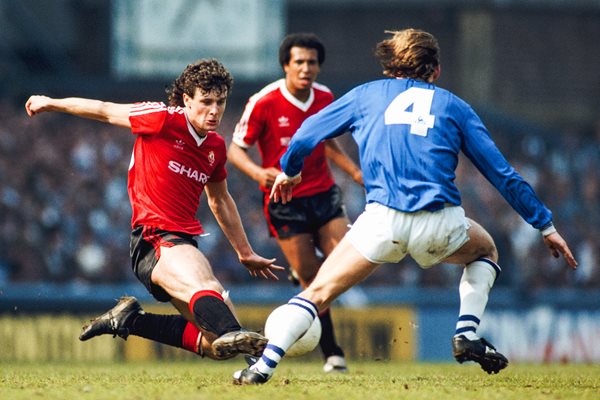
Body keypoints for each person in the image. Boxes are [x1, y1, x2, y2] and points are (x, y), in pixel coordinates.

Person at [233, 29, 578, 384]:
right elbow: (502, 173)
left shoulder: (365, 95)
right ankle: (465, 334)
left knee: (317, 292)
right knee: (486, 251)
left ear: (391, 66)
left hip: (381, 222)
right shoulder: (455, 106)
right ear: (436, 70)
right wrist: (545, 226)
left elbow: (306, 134)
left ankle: (262, 368)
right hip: (440, 222)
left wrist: (290, 171)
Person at [25, 59, 284, 361]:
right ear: (187, 99)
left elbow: (221, 200)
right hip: (155, 238)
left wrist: (244, 251)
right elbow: (105, 110)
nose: (214, 111)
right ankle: (253, 355)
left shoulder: (215, 146)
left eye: (221, 102)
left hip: (179, 244)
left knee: (215, 344)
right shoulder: (161, 118)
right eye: (206, 102)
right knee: (209, 291)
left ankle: (130, 320)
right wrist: (51, 103)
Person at [227, 33, 363, 373]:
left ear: (319, 66)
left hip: (323, 194)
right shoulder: (264, 101)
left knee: (343, 264)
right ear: (286, 65)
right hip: (285, 201)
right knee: (311, 279)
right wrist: (259, 172)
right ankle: (332, 350)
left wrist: (354, 172)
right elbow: (235, 148)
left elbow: (329, 144)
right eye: (299, 62)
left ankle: (328, 341)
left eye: (312, 62)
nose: (305, 68)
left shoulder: (326, 97)